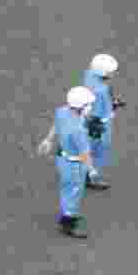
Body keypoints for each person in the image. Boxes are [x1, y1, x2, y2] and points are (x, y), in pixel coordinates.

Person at [53, 86, 96, 238]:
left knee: (66, 189)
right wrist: (91, 169)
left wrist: (48, 139)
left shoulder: (62, 111)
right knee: (74, 192)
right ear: (81, 106)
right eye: (88, 105)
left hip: (62, 159)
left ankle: (66, 212)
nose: (90, 107)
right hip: (75, 165)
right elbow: (85, 153)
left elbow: (56, 126)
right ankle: (68, 222)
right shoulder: (78, 130)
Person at [83, 54, 121, 191]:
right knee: (100, 150)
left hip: (89, 119)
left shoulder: (89, 75)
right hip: (100, 122)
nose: (114, 74)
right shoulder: (101, 91)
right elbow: (98, 113)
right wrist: (113, 105)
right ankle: (91, 178)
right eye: (112, 72)